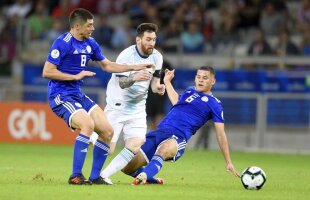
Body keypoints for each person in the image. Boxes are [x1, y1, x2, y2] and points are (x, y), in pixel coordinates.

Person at [42, 8, 153, 185]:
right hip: (60, 96)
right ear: (77, 26)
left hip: (77, 94)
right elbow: (47, 71)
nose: (93, 28)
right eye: (89, 25)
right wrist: (74, 77)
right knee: (88, 125)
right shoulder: (63, 43)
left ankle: (95, 176)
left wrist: (134, 67)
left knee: (107, 131)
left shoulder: (91, 43)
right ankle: (76, 176)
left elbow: (107, 66)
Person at [121, 66, 240, 185]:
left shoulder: (215, 104)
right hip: (160, 131)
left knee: (164, 150)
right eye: (198, 77)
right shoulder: (190, 91)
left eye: (205, 78)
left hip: (178, 137)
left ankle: (144, 176)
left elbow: (220, 134)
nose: (201, 80)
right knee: (126, 167)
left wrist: (228, 161)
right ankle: (151, 179)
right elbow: (177, 102)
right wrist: (167, 82)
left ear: (213, 81)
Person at [90, 23, 165, 185]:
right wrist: (134, 77)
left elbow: (154, 82)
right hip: (118, 104)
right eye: (148, 39)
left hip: (137, 107)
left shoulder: (157, 57)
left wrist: (158, 87)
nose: (152, 43)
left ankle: (103, 175)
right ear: (138, 40)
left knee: (136, 144)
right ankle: (94, 135)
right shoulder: (126, 56)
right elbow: (122, 83)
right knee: (108, 149)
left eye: (154, 39)